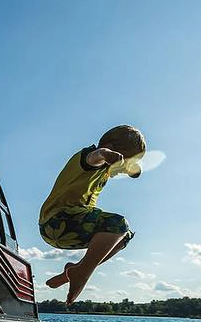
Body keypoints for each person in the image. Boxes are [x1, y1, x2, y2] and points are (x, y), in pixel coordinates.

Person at [39, 125, 146, 305]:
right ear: (112, 148)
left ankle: (78, 270)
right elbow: (97, 156)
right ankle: (82, 272)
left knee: (124, 237)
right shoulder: (88, 158)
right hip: (57, 221)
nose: (121, 168)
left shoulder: (106, 170)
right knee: (118, 224)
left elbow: (135, 172)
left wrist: (131, 165)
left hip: (70, 229)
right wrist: (107, 154)